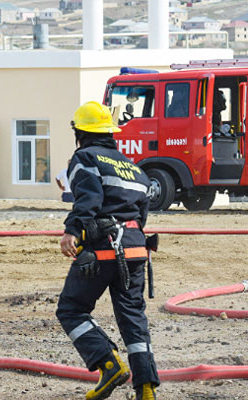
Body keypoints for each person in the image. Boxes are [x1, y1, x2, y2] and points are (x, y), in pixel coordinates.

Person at [56, 101, 159, 400]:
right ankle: (147, 387)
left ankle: (109, 364)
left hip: (103, 250)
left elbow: (88, 198)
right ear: (110, 134)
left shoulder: (84, 157)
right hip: (137, 251)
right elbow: (141, 217)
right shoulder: (135, 169)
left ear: (80, 132)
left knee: (72, 309)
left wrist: (72, 231)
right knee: (133, 317)